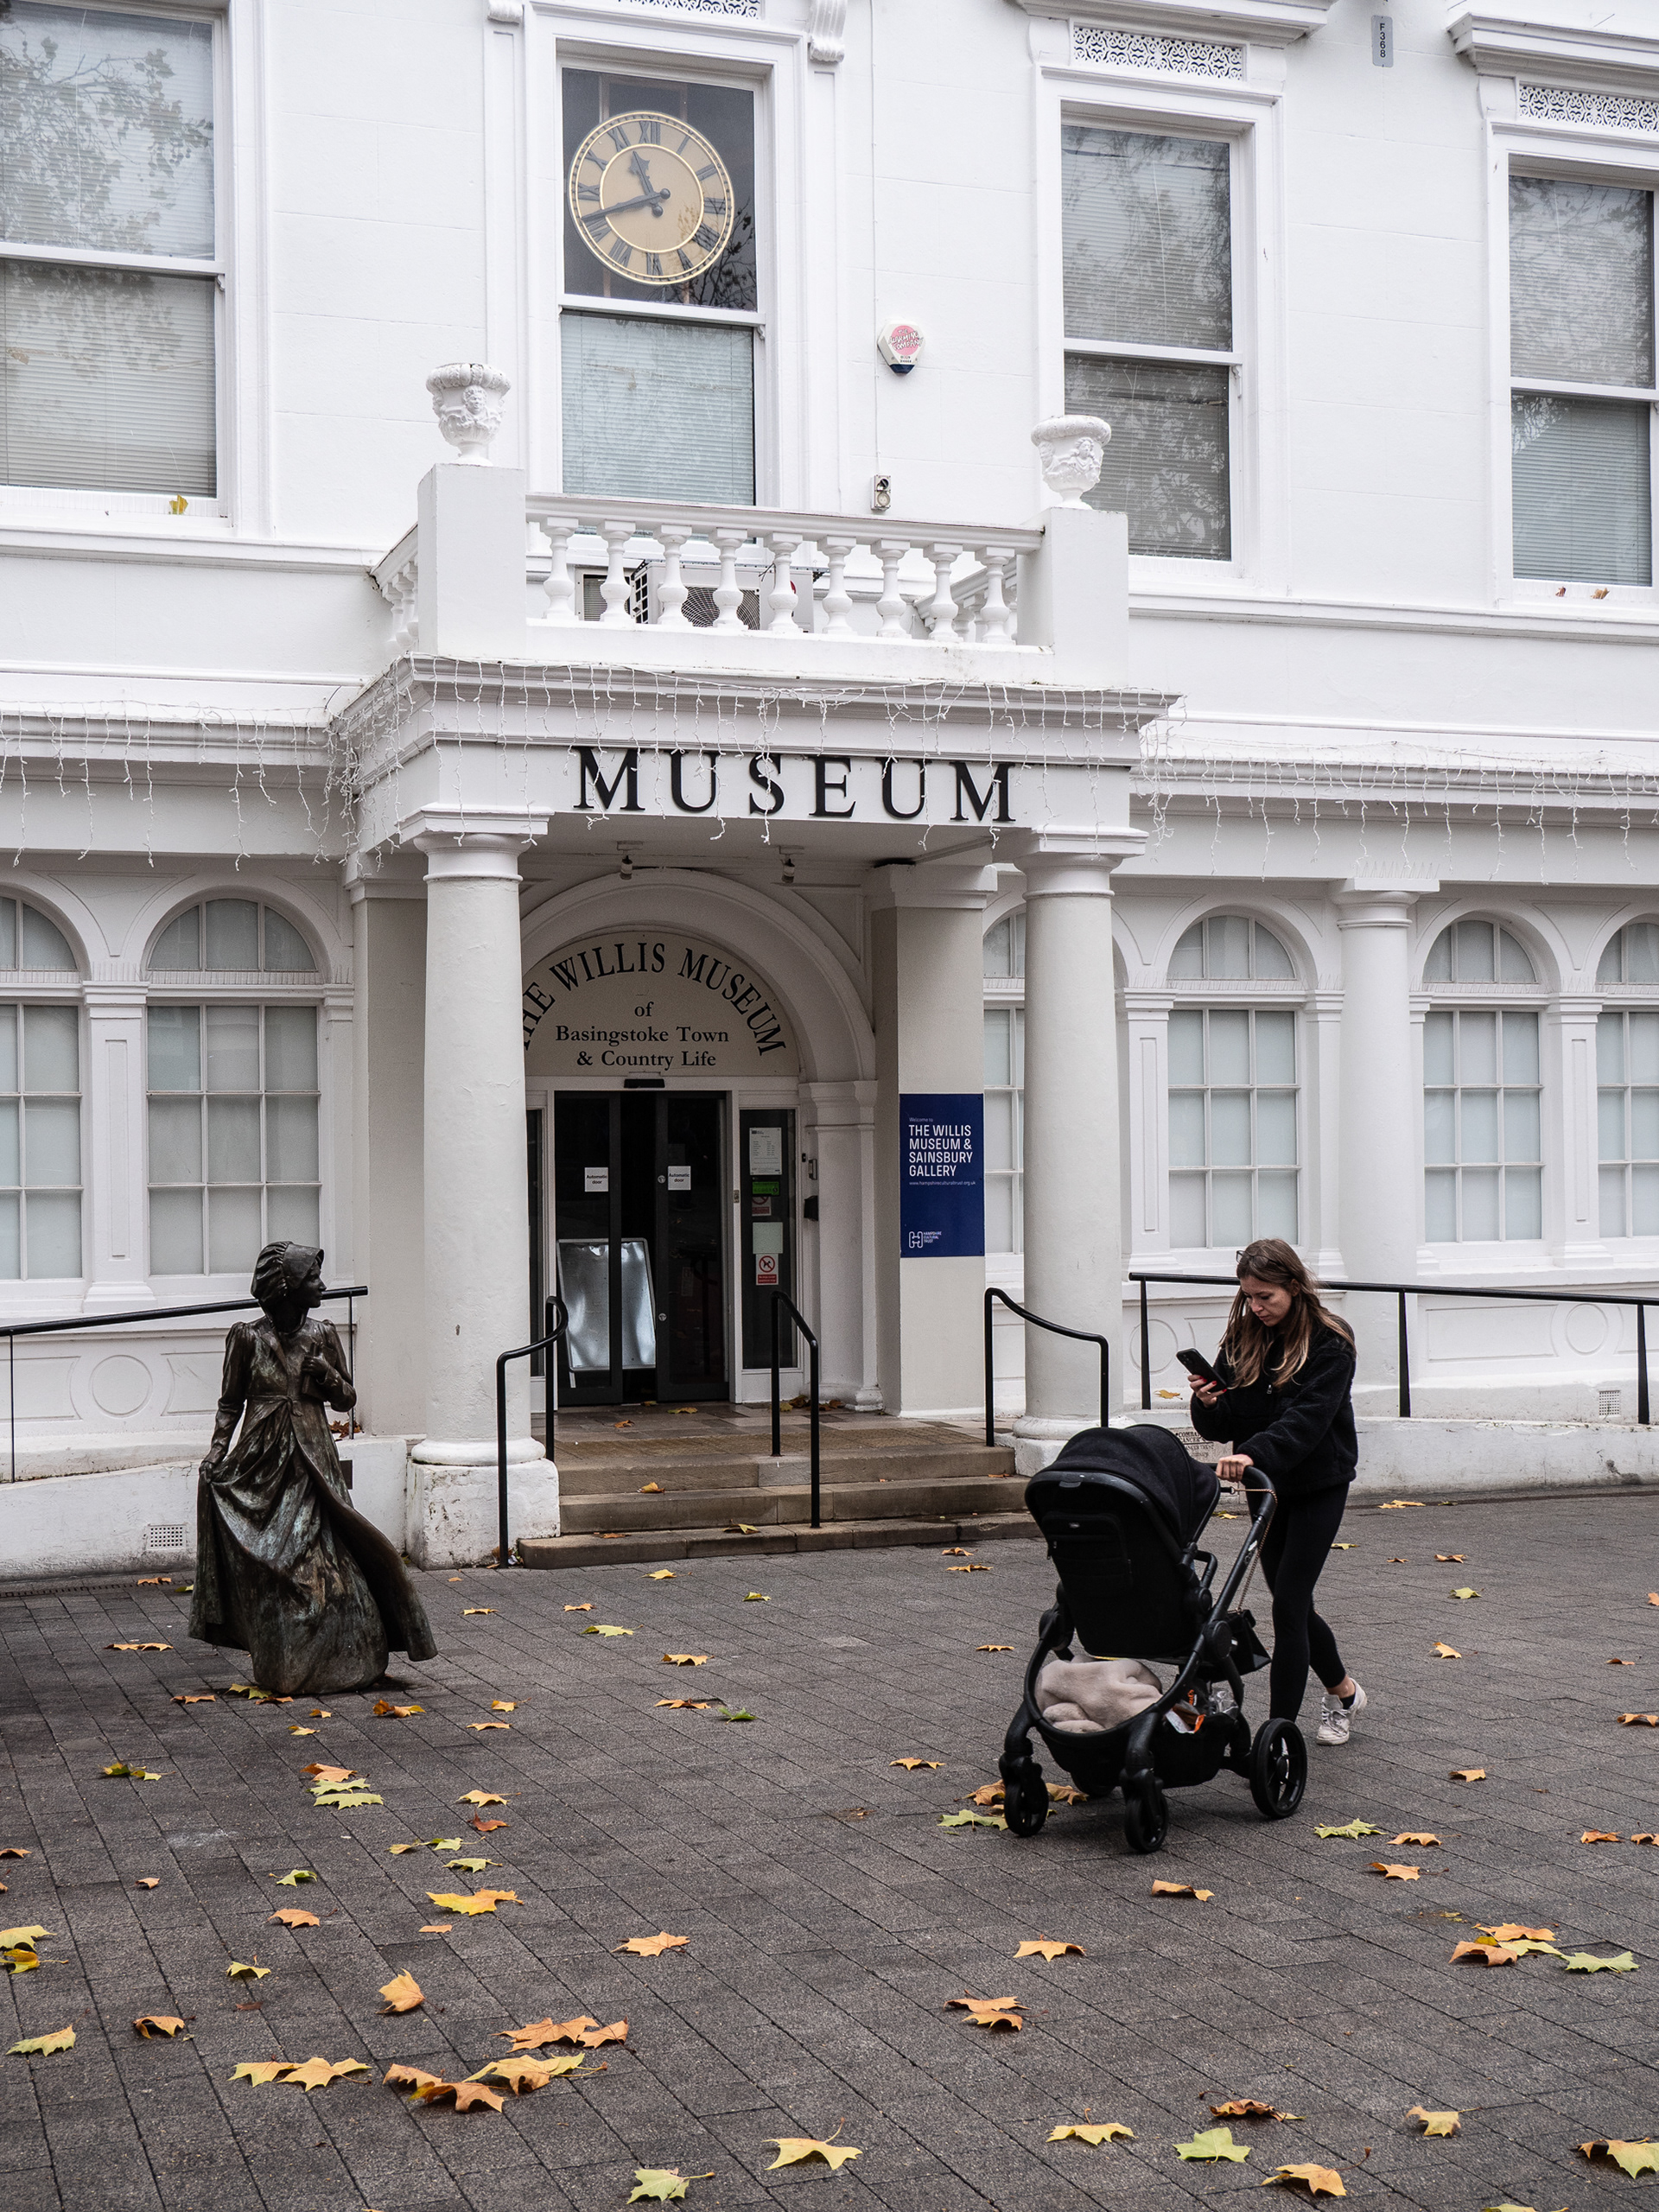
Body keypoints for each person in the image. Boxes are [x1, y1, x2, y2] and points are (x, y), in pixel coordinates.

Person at [188, 1241, 436, 1694]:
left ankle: (347, 1660)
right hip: (261, 1460)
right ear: (286, 1287)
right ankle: (284, 1662)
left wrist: (326, 1373)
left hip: (313, 1459)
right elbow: (230, 1403)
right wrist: (216, 1451)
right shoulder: (247, 1337)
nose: (322, 1286)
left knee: (325, 1562)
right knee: (275, 1565)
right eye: (312, 1278)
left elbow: (346, 1399)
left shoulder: (322, 1334)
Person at [1186, 1238, 1365, 1747]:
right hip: (1266, 1485)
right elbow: (1224, 1424)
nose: (1256, 1306)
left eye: (1265, 1296)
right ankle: (1344, 1692)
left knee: (1288, 1604)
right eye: (1248, 1296)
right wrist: (1208, 1402)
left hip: (1318, 1484)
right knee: (1294, 1605)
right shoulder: (1244, 1336)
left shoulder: (1331, 1341)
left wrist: (1252, 1454)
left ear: (1294, 1285)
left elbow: (1308, 1419)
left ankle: (1278, 1735)